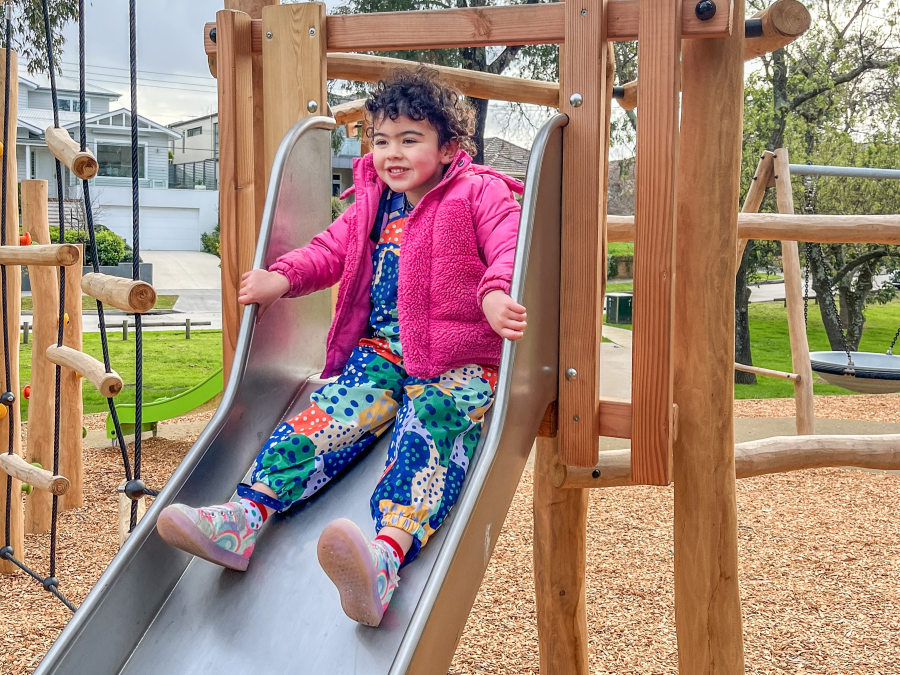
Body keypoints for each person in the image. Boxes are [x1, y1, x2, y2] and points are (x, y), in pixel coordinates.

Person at [157, 67, 527, 628]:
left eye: (410, 139)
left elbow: (509, 243)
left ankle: (384, 560)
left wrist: (496, 293)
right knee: (322, 417)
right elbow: (329, 250)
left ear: (449, 147)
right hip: (383, 354)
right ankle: (243, 518)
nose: (392, 154)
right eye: (381, 140)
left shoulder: (480, 192)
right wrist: (283, 277)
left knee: (430, 431)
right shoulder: (375, 204)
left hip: (458, 361)